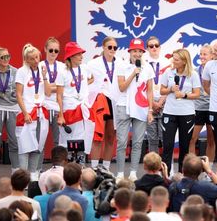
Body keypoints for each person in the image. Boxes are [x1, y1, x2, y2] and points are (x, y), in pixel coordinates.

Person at [115, 38, 154, 182]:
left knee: (138, 142)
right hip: (124, 105)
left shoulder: (148, 68)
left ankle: (133, 172)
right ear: (129, 51)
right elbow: (122, 87)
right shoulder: (122, 66)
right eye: (134, 51)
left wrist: (150, 110)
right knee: (121, 142)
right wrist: (133, 73)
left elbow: (150, 91)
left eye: (139, 51)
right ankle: (119, 173)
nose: (137, 54)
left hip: (141, 107)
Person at [160, 48, 200, 173]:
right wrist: (171, 89)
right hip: (170, 112)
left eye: (176, 59)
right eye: (173, 57)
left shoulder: (193, 74)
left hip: (186, 114)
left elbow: (197, 94)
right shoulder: (168, 72)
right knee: (167, 146)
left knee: (184, 147)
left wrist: (184, 95)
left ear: (184, 61)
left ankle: (183, 175)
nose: (173, 60)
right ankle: (165, 175)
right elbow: (162, 90)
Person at [15, 44, 51, 181]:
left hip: (41, 113)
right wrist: (25, 113)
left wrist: (45, 77)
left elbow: (47, 92)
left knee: (38, 146)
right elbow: (18, 94)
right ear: (26, 60)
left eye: (37, 57)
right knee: (24, 146)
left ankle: (34, 176)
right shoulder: (22, 71)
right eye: (32, 59)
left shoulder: (42, 69)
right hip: (28, 111)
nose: (36, 61)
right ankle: (23, 178)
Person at [56, 42, 95, 156]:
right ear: (71, 56)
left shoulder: (84, 68)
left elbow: (91, 79)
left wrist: (83, 87)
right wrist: (61, 115)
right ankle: (67, 169)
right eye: (78, 54)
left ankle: (80, 166)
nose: (81, 56)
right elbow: (59, 95)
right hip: (69, 109)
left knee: (83, 139)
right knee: (68, 140)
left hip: (83, 108)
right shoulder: (63, 72)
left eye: (81, 54)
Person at [87, 36, 120, 170]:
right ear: (103, 47)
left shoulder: (121, 64)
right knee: (98, 136)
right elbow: (85, 81)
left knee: (111, 136)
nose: (112, 50)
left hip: (114, 102)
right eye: (110, 47)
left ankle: (105, 168)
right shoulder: (92, 64)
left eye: (115, 48)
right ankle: (94, 168)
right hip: (100, 101)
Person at [0, 46, 20, 178]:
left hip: (13, 107)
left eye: (8, 56)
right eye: (2, 57)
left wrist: (14, 99)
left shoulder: (15, 71)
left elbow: (19, 90)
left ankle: (15, 172)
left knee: (14, 141)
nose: (6, 59)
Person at [38, 37, 64, 171]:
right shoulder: (39, 65)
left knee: (57, 140)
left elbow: (61, 88)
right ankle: (38, 168)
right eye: (51, 50)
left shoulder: (62, 66)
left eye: (56, 51)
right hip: (43, 106)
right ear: (45, 50)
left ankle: (57, 168)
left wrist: (49, 87)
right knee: (40, 139)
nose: (53, 53)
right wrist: (55, 87)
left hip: (57, 106)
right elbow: (42, 89)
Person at [144, 36, 171, 154]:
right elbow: (141, 86)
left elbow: (170, 84)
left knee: (165, 136)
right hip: (148, 102)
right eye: (151, 46)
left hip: (164, 101)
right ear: (147, 48)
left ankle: (166, 165)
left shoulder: (167, 63)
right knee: (152, 138)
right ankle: (152, 166)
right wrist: (152, 103)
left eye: (156, 45)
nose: (154, 48)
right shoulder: (143, 64)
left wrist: (160, 102)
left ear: (160, 47)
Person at [189, 45, 215, 163]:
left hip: (212, 108)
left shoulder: (216, 71)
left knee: (211, 140)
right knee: (192, 139)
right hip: (197, 108)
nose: (202, 56)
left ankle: (208, 169)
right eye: (201, 54)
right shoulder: (194, 72)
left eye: (205, 54)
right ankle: (193, 167)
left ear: (212, 56)